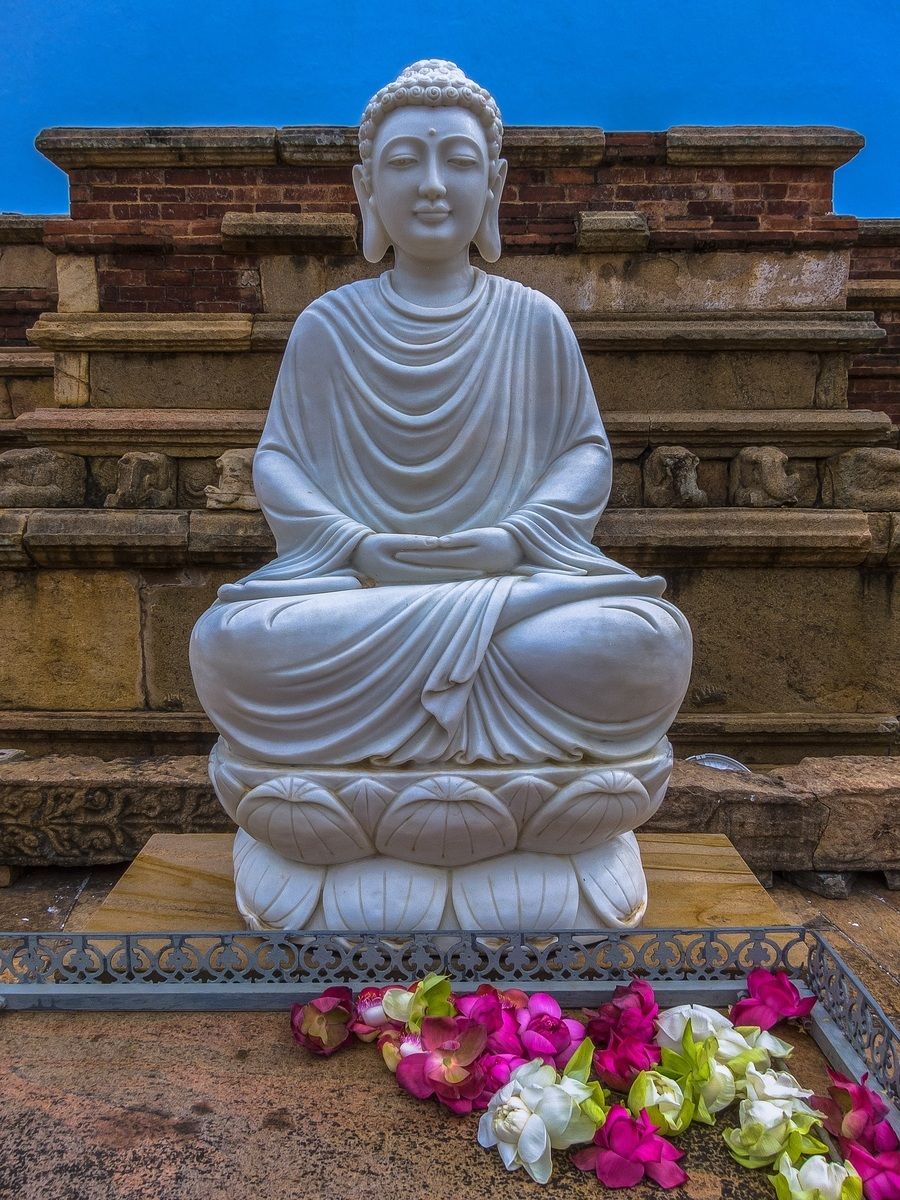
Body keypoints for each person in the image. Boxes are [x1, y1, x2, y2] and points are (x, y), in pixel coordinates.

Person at [189, 60, 692, 771]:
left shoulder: (533, 321)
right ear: (367, 187)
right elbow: (281, 462)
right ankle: (510, 783)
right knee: (235, 641)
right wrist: (355, 545)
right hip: (361, 593)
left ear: (495, 183)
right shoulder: (328, 326)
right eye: (403, 163)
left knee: (642, 641)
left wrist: (512, 540)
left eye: (458, 161)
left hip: (509, 584)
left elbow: (583, 455)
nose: (431, 185)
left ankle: (363, 784)